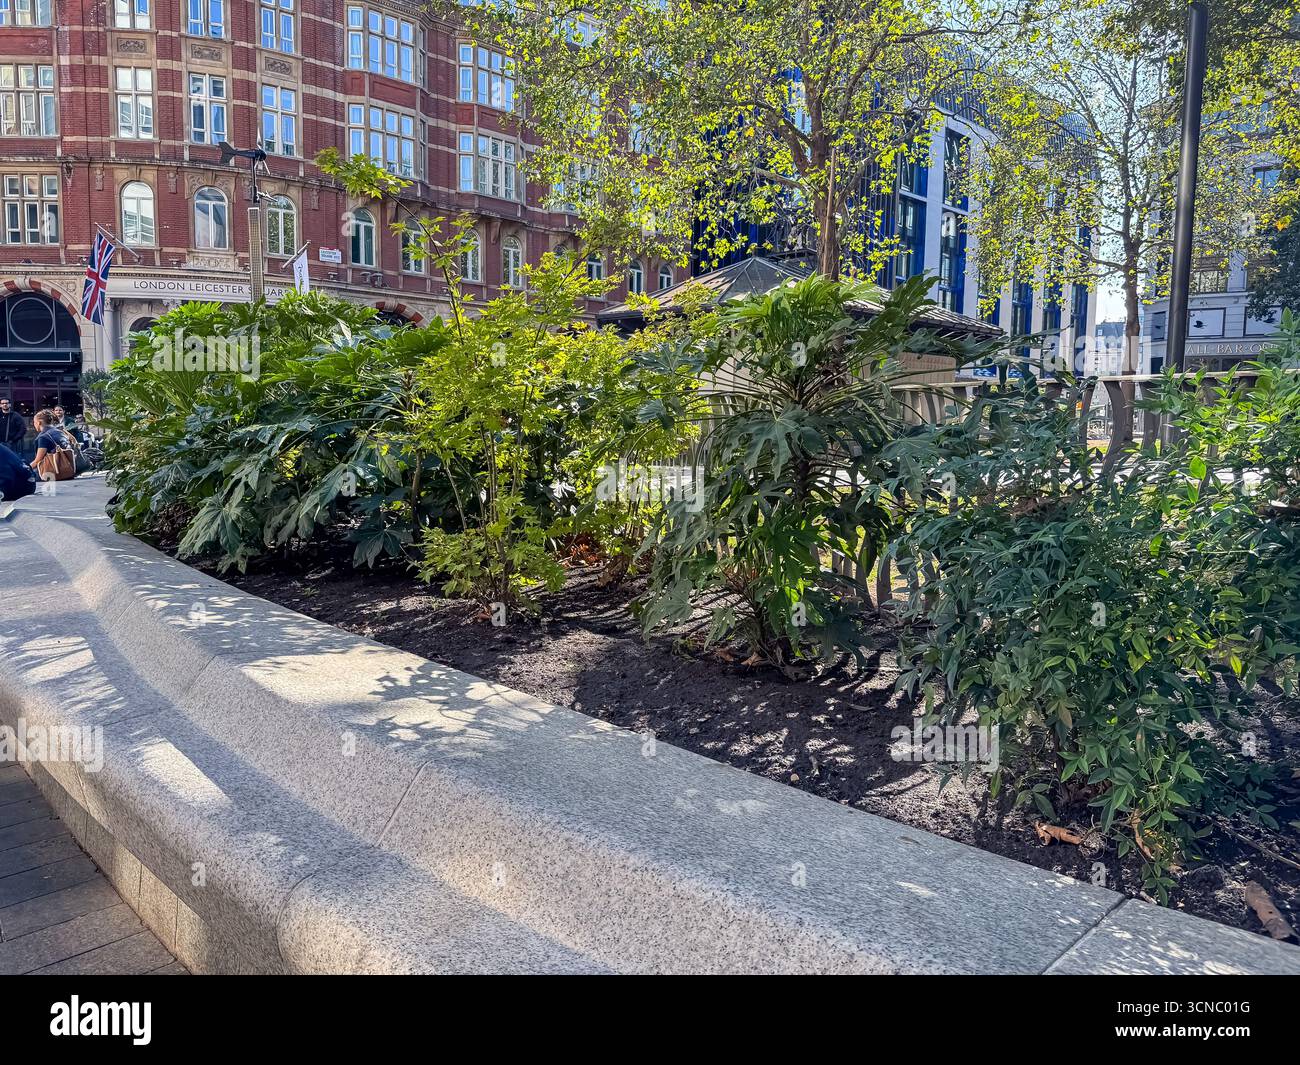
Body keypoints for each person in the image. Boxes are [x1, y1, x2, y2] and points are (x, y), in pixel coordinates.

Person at [31, 408, 76, 482]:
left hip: (52, 471)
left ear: (39, 422)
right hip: (68, 469)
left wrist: (25, 469)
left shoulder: (43, 437)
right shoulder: (60, 432)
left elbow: (38, 460)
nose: (34, 424)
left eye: (34, 422)